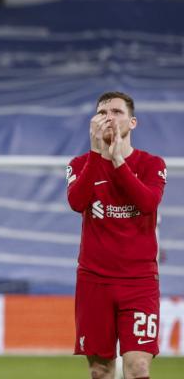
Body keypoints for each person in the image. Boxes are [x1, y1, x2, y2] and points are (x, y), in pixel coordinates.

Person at [67, 92, 166, 379]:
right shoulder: (80, 164)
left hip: (139, 283)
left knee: (138, 367)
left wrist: (118, 161)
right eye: (102, 112)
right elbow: (76, 202)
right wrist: (98, 155)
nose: (108, 117)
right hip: (94, 281)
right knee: (100, 371)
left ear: (132, 122)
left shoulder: (152, 164)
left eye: (116, 112)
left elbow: (147, 203)